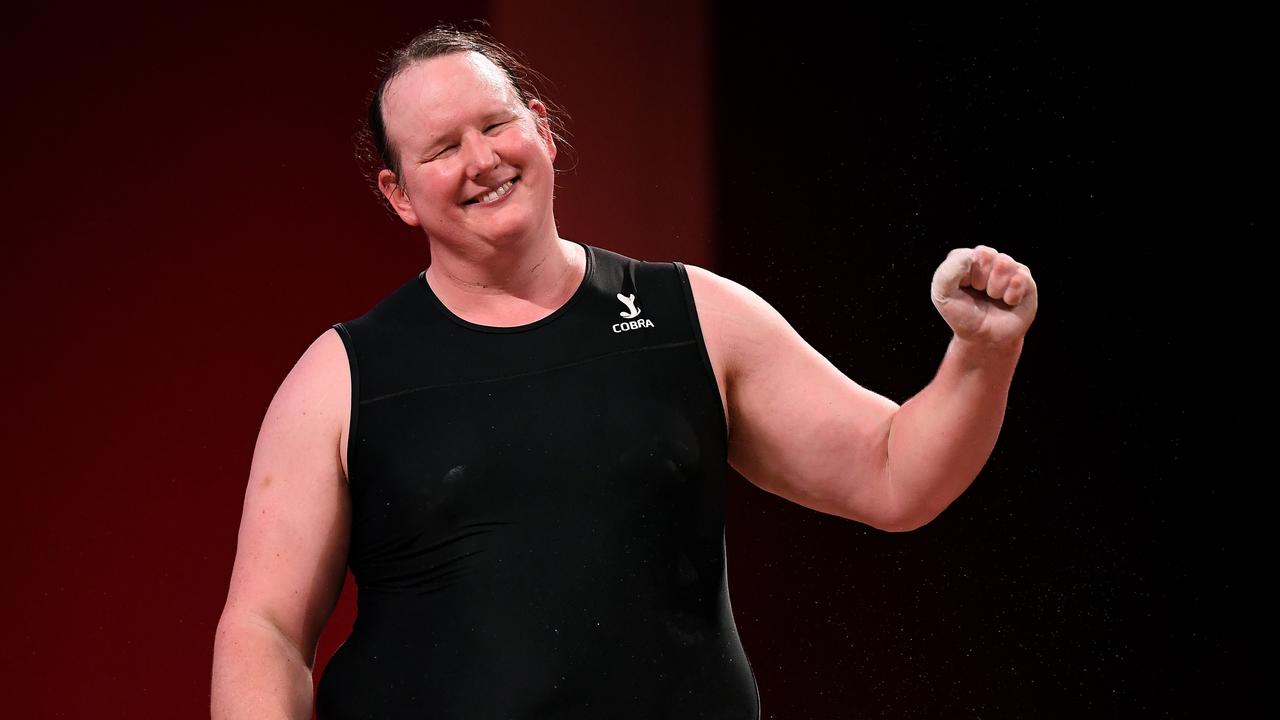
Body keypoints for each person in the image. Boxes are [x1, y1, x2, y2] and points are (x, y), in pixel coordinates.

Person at [210, 25, 1038, 720]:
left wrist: (983, 351)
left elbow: (896, 474)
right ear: (398, 194)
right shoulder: (342, 376)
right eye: (441, 149)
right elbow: (267, 630)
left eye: (496, 125)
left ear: (542, 128)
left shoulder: (696, 318)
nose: (482, 159)